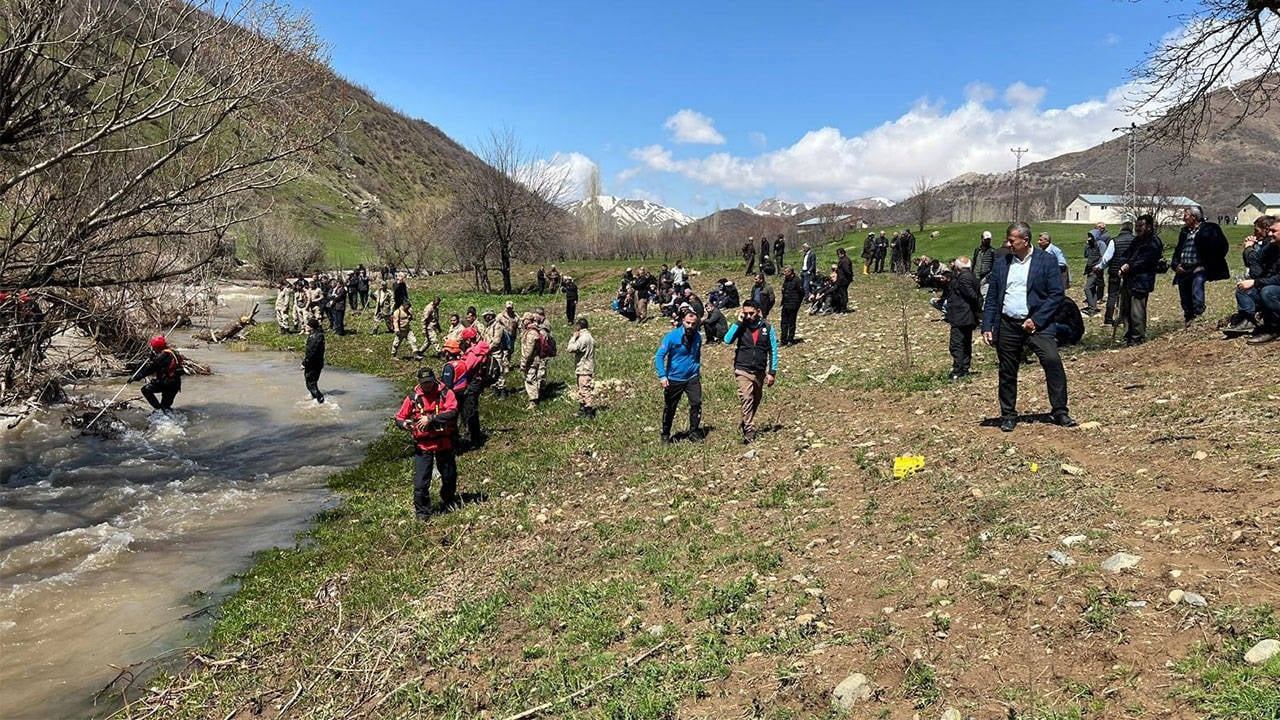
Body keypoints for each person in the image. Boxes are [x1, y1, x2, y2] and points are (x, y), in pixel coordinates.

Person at [981, 222, 1075, 432]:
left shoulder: (1046, 261)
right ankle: (1008, 414)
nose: (1008, 244)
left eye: (1012, 240)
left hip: (1037, 324)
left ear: (1025, 240)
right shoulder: (1002, 263)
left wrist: (1038, 320)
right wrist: (987, 325)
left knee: (1052, 361)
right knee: (1007, 370)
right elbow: (993, 296)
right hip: (1008, 323)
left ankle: (1060, 410)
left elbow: (1056, 294)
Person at [395, 367, 459, 519]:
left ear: (434, 380)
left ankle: (448, 500)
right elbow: (399, 418)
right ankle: (422, 512)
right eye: (424, 383)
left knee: (449, 476)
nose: (427, 386)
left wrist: (431, 419)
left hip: (444, 442)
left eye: (429, 382)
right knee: (420, 483)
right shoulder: (413, 397)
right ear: (419, 383)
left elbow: (453, 411)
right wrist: (405, 424)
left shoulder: (446, 393)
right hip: (423, 445)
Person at [724, 300, 778, 444]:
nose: (748, 316)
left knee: (756, 398)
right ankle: (749, 429)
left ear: (758, 311)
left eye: (751, 313)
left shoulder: (767, 327)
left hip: (759, 370)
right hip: (743, 368)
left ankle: (746, 420)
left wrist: (772, 372)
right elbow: (727, 339)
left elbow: (773, 350)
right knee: (746, 397)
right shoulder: (741, 326)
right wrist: (738, 322)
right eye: (745, 313)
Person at [1172, 206, 1230, 326]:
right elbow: (1178, 250)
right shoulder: (1184, 232)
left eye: (1186, 215)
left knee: (1197, 290)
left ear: (1194, 217)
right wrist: (1176, 265)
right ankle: (1188, 319)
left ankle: (1199, 316)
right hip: (1184, 268)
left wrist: (1206, 265)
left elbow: (1222, 247)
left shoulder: (1210, 229)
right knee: (1184, 297)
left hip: (1199, 268)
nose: (1184, 218)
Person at [654, 310, 703, 443]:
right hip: (674, 378)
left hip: (692, 377)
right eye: (688, 323)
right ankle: (665, 434)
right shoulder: (672, 337)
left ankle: (693, 431)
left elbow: (696, 355)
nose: (690, 326)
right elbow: (659, 356)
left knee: (696, 403)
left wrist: (697, 369)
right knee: (670, 407)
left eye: (693, 323)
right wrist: (662, 375)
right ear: (683, 321)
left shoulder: (698, 336)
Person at [1117, 214, 1164, 347]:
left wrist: (1129, 266)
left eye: (1140, 226)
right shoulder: (1136, 241)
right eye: (1136, 226)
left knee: (1137, 312)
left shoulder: (1154, 242)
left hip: (1142, 281)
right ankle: (1127, 336)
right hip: (1129, 280)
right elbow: (1125, 255)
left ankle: (1137, 338)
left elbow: (1146, 261)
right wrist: (1123, 264)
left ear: (1149, 226)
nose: (1137, 229)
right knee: (1126, 311)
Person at [945, 256, 982, 380]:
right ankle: (964, 367)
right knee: (965, 342)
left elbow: (972, 296)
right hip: (967, 315)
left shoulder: (963, 278)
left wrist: (978, 309)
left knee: (957, 343)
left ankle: (958, 370)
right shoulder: (971, 276)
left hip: (962, 315)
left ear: (957, 267)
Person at [134, 335, 183, 410]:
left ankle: (158, 410)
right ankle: (162, 412)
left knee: (146, 390)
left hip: (166, 384)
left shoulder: (162, 356)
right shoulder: (172, 352)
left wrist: (137, 377)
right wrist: (154, 357)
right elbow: (163, 363)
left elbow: (151, 369)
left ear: (156, 348)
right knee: (166, 407)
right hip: (174, 384)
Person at [1102, 221, 1134, 327]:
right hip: (1130, 274)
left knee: (1112, 296)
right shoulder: (1135, 241)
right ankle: (1122, 320)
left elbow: (1106, 258)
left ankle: (1108, 320)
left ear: (1121, 229)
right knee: (1126, 297)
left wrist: (1099, 267)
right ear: (1132, 229)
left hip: (1115, 273)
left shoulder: (1114, 241)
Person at [566, 317, 596, 418]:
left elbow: (570, 348)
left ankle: (589, 411)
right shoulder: (590, 337)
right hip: (587, 366)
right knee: (582, 388)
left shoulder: (583, 338)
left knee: (585, 389)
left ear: (579, 326)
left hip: (584, 367)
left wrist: (573, 338)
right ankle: (582, 408)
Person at [301, 317, 325, 403]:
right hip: (318, 363)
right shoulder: (319, 335)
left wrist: (304, 363)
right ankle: (314, 397)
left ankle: (320, 399)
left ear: (311, 327)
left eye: (307, 325)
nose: (305, 326)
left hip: (313, 364)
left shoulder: (314, 337)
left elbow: (311, 353)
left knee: (310, 384)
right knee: (313, 382)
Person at [779, 265, 803, 345]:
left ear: (790, 272)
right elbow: (784, 290)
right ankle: (783, 340)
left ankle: (790, 339)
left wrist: (797, 303)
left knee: (791, 323)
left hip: (793, 305)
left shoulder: (797, 281)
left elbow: (801, 293)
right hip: (785, 304)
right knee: (783, 323)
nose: (784, 273)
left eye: (786, 271)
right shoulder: (786, 280)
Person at [973, 231, 995, 296]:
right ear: (982, 239)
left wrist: (987, 277)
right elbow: (974, 262)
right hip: (976, 277)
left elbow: (994, 266)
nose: (987, 241)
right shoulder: (977, 250)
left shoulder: (992, 251)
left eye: (989, 240)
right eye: (986, 239)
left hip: (985, 278)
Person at [834, 248, 853, 313]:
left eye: (838, 254)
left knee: (843, 294)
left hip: (843, 280)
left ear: (841, 254)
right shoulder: (844, 260)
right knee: (841, 294)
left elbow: (847, 271)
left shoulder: (845, 261)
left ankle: (843, 309)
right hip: (842, 279)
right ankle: (841, 308)